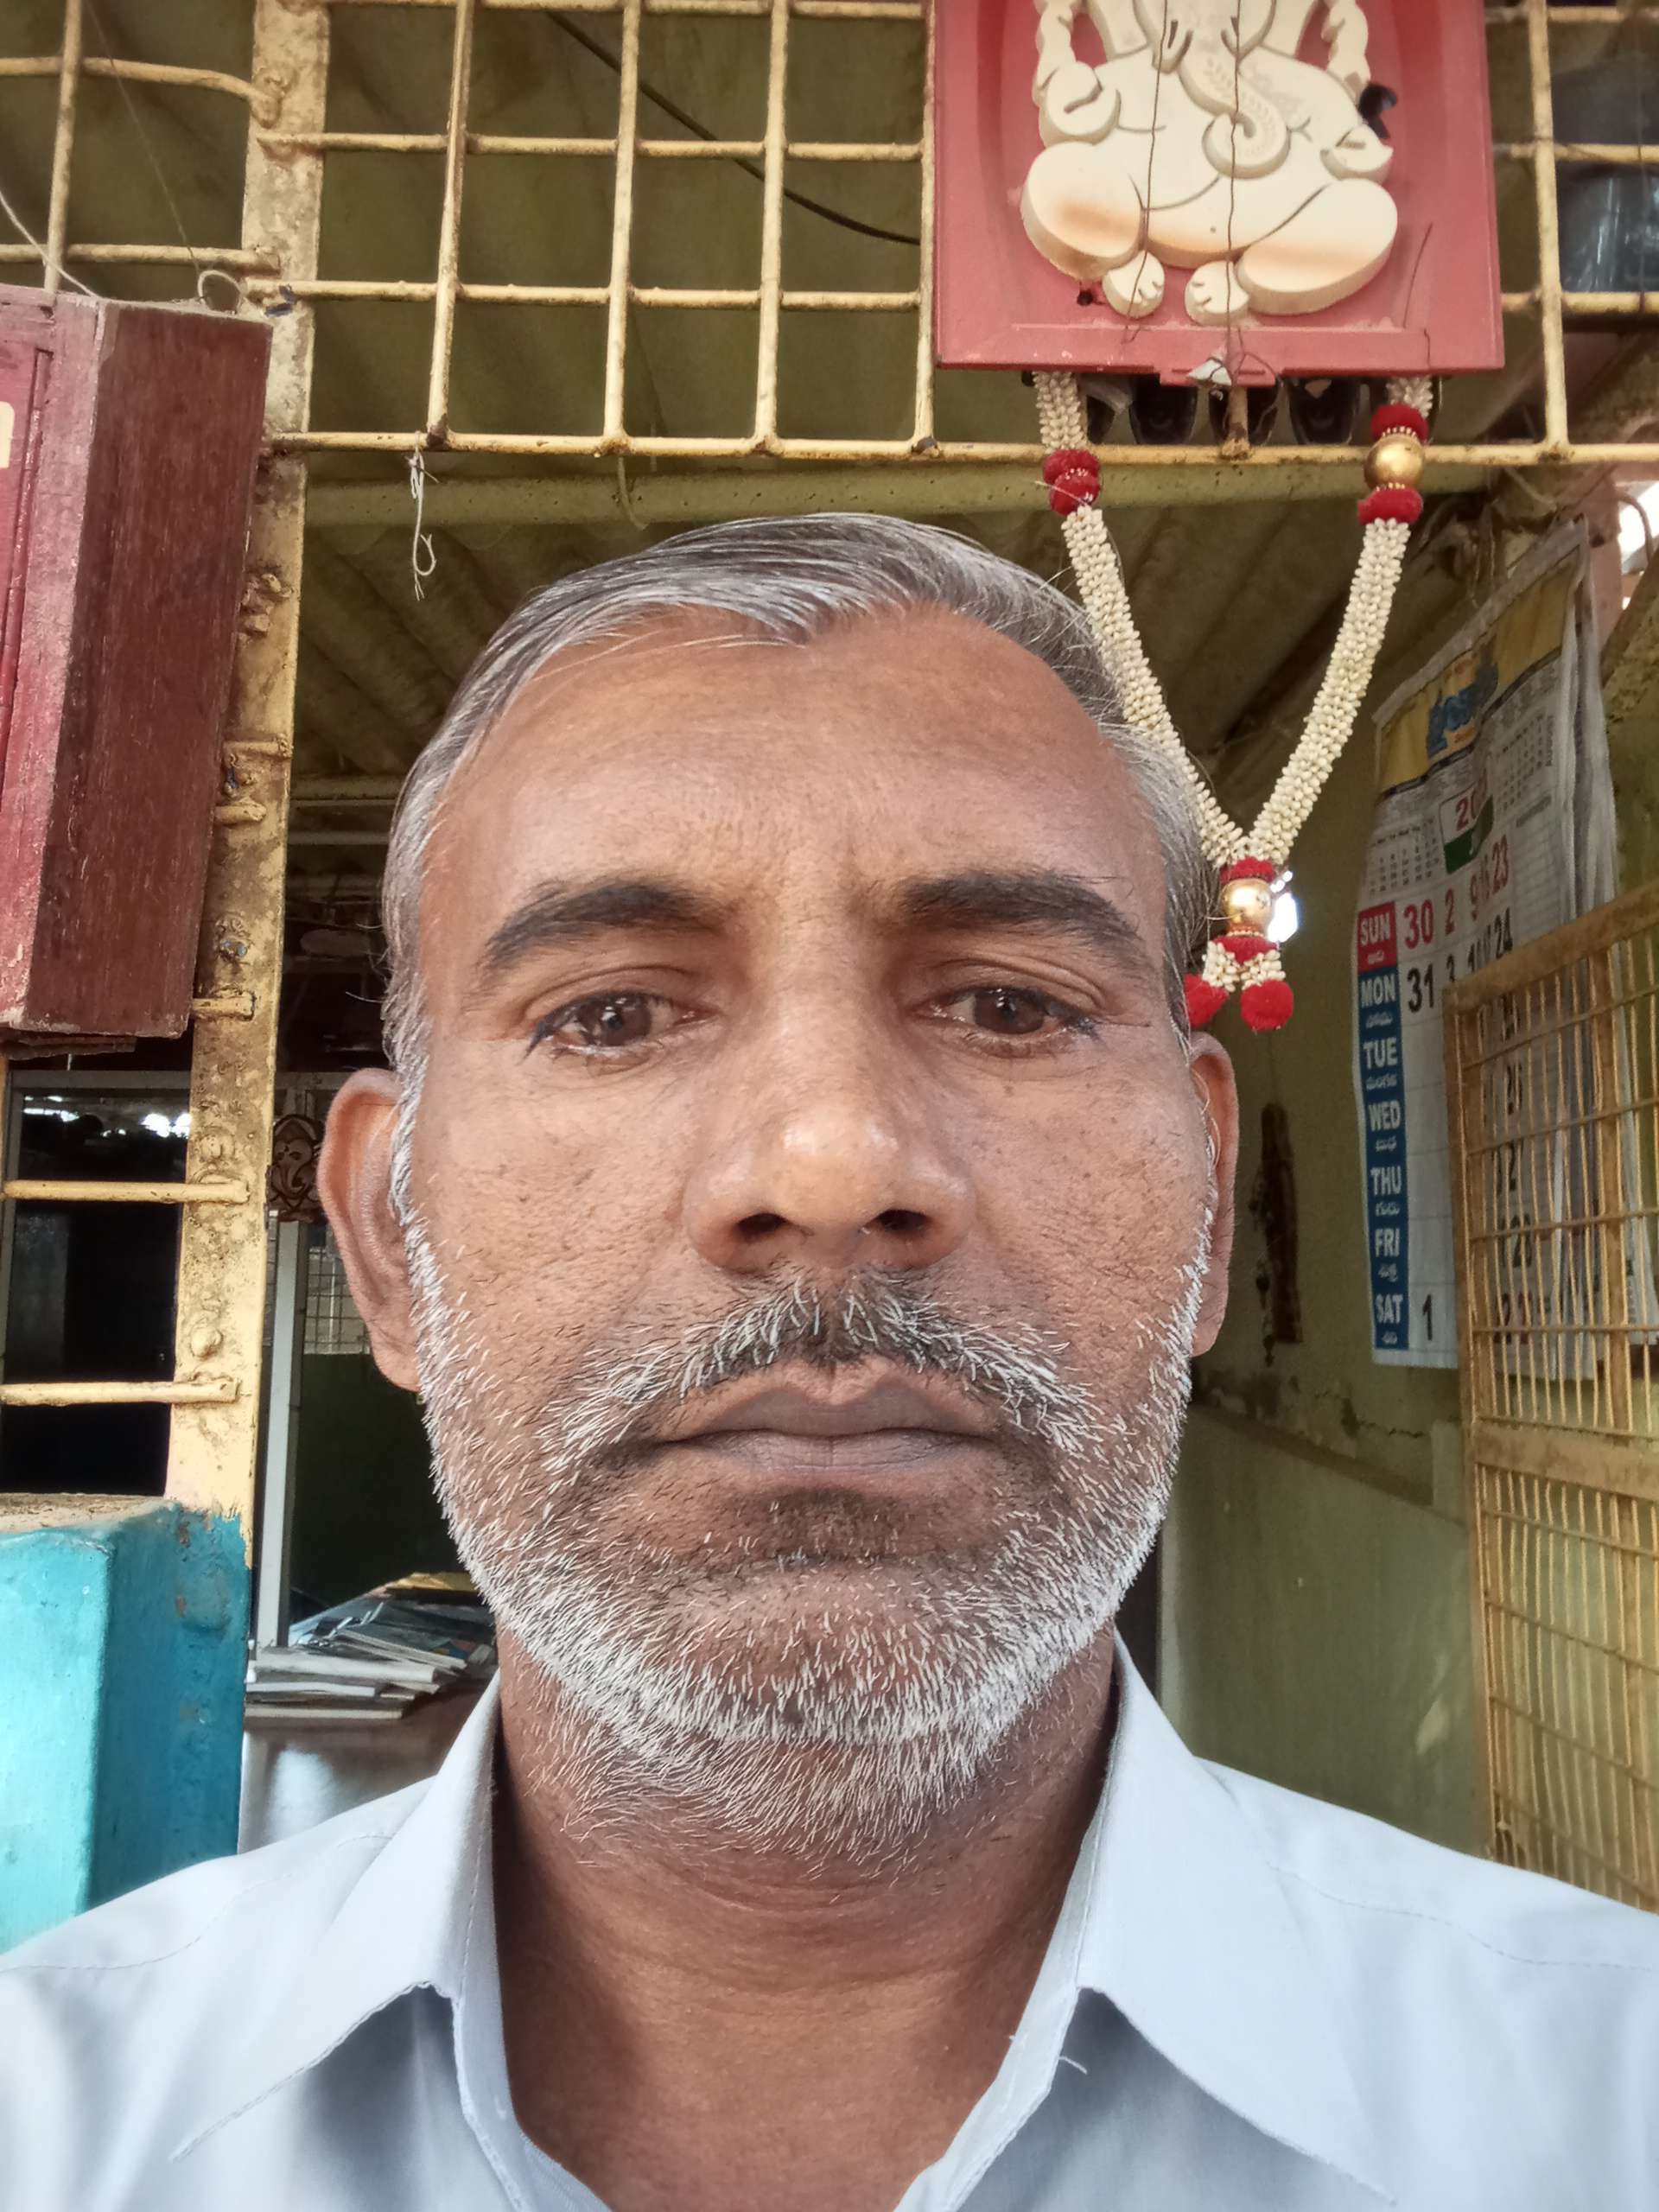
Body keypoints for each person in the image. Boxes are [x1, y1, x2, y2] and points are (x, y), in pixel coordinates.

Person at [2, 515, 1654, 2211]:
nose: (831, 1162)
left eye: (1008, 1004)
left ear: (1208, 1201)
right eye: (611, 1014)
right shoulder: (54, 2129)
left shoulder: (1603, 2108)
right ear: (384, 1239)